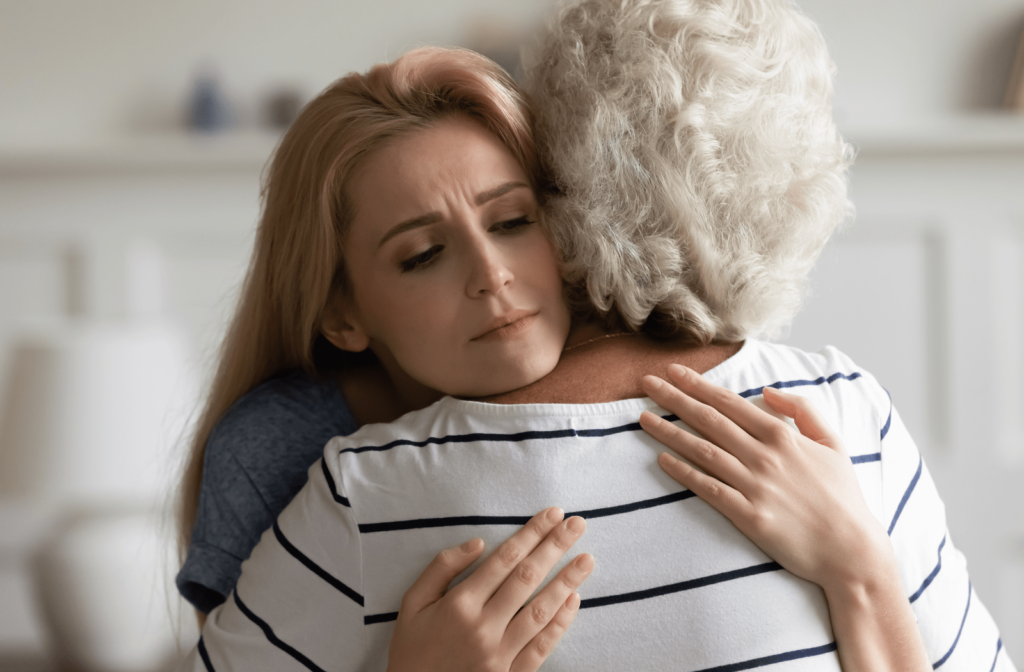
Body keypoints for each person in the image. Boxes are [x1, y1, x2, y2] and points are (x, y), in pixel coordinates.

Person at [175, 2, 1015, 672]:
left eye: (513, 221)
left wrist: (863, 573)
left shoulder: (832, 418)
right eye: (424, 253)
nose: (490, 275)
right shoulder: (337, 481)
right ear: (341, 314)